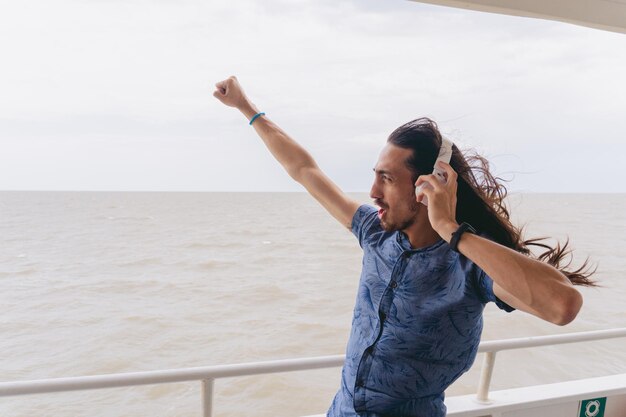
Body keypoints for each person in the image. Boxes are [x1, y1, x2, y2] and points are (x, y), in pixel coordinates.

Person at [212, 75, 597, 417]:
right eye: (375, 176)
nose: (373, 192)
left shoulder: (471, 266)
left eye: (387, 179)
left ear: (430, 185)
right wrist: (246, 107)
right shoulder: (375, 232)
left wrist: (449, 228)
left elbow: (563, 306)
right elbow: (305, 170)